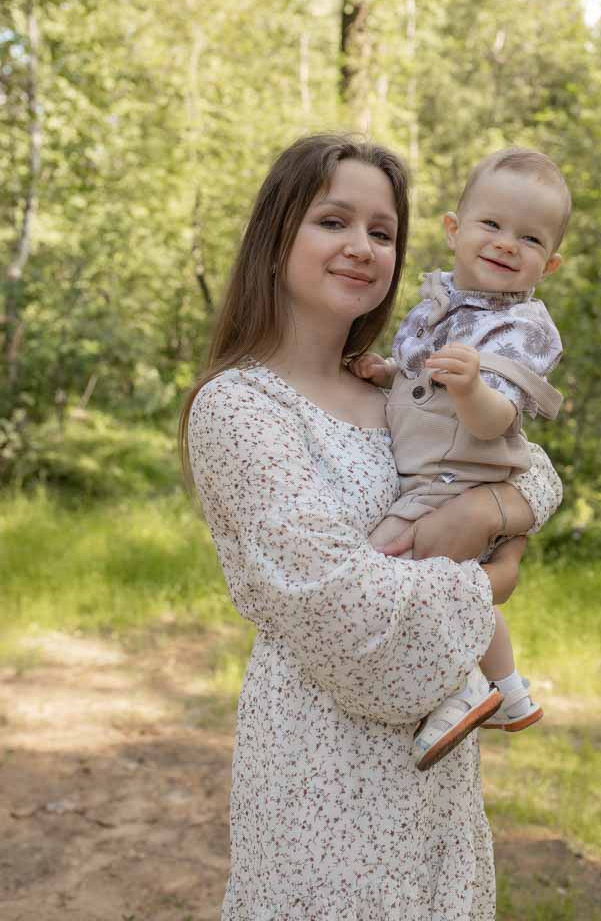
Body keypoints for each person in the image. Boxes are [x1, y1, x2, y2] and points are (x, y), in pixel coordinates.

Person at [179, 134, 563, 921]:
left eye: (381, 232)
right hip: (323, 764)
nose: (361, 246)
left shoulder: (398, 392)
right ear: (277, 237)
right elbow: (341, 606)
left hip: (437, 766)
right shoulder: (242, 407)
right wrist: (488, 579)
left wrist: (482, 511)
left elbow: (538, 470)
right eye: (333, 221)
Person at [352, 149, 570, 770]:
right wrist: (389, 372)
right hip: (431, 472)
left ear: (549, 264)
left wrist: (474, 388)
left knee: (384, 562)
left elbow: (495, 419)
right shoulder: (440, 302)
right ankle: (508, 689)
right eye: (492, 225)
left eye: (529, 238)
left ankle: (462, 684)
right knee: (455, 585)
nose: (506, 244)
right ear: (454, 229)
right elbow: (422, 381)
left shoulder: (521, 327)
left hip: (456, 478)